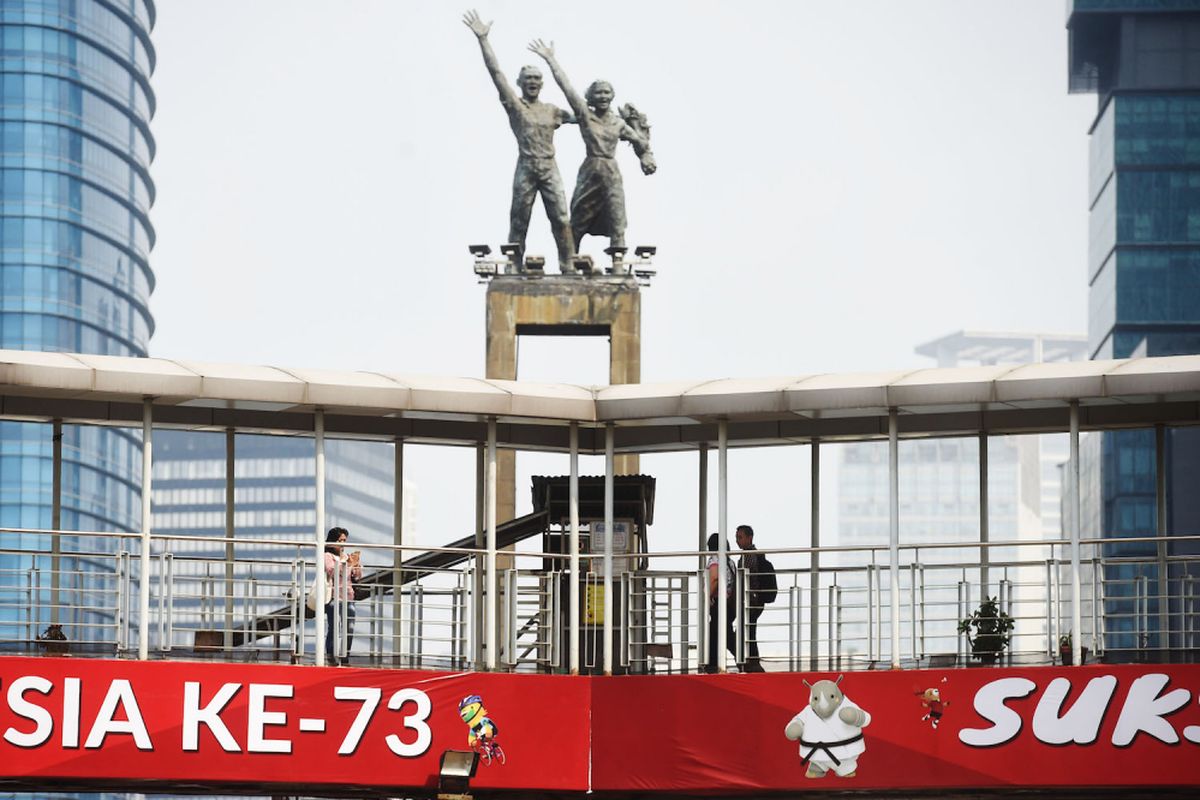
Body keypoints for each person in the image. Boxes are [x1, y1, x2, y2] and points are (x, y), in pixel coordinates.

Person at [463, 10, 576, 271]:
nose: (533, 83)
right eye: (528, 79)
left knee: (560, 217)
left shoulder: (552, 110)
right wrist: (483, 40)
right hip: (526, 166)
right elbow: (496, 74)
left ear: (542, 83)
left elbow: (584, 116)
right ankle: (514, 263)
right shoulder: (516, 106)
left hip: (549, 167)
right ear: (521, 83)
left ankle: (568, 263)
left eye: (537, 79)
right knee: (519, 218)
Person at [528, 39, 656, 257]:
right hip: (590, 170)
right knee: (578, 217)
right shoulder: (585, 115)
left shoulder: (618, 123)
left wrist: (645, 154)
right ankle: (569, 262)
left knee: (617, 216)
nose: (603, 97)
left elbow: (640, 143)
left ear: (612, 96)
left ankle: (618, 261)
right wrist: (550, 59)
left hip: (611, 171)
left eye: (607, 93)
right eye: (598, 93)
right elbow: (566, 87)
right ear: (591, 97)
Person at [323, 526, 361, 666]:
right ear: (333, 541)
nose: (343, 544)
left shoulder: (346, 556)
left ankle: (345, 656)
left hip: (348, 597)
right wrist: (348, 564)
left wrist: (356, 567)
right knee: (334, 627)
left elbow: (356, 578)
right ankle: (331, 656)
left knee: (349, 627)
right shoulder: (327, 556)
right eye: (340, 540)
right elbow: (333, 571)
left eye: (344, 540)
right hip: (333, 597)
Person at [736, 524, 766, 672]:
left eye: (740, 537)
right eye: (737, 537)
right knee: (749, 630)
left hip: (751, 600)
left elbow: (745, 576)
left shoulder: (748, 555)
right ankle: (751, 660)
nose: (737, 541)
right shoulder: (755, 554)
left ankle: (752, 661)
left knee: (748, 630)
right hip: (754, 599)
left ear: (750, 538)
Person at [705, 532, 736, 673]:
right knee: (722, 632)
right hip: (729, 604)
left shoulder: (714, 560)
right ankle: (742, 655)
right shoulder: (730, 562)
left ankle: (712, 664)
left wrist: (707, 596)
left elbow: (714, 579)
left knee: (715, 634)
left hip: (718, 602)